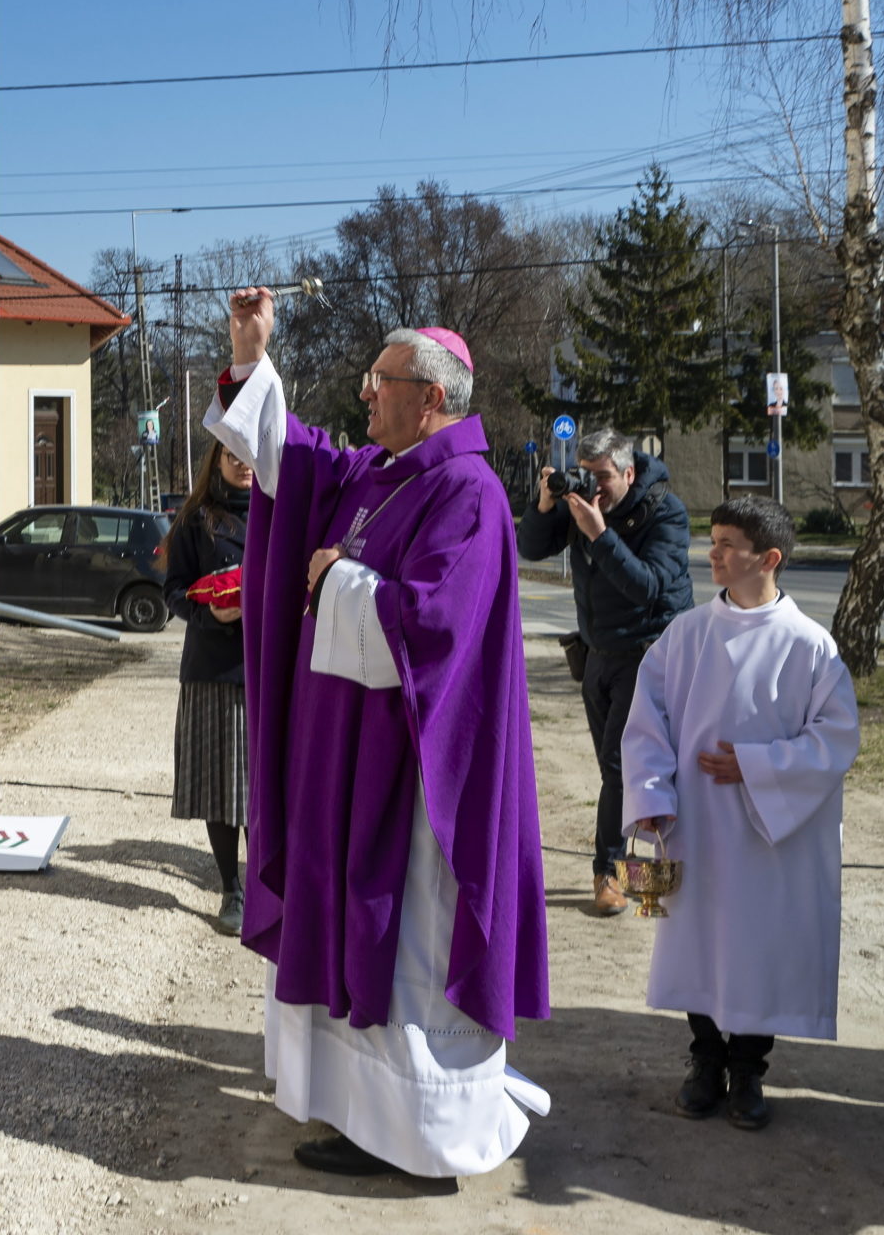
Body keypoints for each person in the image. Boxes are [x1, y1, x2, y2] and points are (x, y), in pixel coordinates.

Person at [204, 291, 549, 1180]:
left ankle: (418, 1136)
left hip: (413, 778)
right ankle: (361, 1114)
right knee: (349, 930)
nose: (365, 394)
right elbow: (290, 459)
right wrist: (251, 358)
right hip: (345, 760)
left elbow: (436, 626)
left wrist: (340, 581)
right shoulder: (379, 474)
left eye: (379, 381)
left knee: (407, 948)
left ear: (430, 398)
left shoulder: (467, 492)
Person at [622, 496, 859, 1134]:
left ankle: (749, 1068)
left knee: (760, 943)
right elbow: (646, 722)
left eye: (729, 544)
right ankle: (705, 1059)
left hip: (770, 832)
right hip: (693, 821)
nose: (714, 554)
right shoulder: (686, 634)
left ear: (769, 558)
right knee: (694, 938)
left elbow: (836, 739)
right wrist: (651, 797)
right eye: (714, 540)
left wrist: (756, 766)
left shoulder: (810, 645)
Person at [521, 428, 695, 914]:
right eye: (584, 474)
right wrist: (544, 505)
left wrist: (599, 534)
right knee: (613, 768)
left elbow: (647, 587)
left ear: (629, 473)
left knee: (621, 766)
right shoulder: (582, 503)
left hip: (648, 656)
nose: (592, 486)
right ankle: (646, 861)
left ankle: (609, 874)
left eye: (602, 477)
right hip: (597, 654)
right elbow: (530, 548)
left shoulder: (665, 512)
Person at [164, 444, 253, 935]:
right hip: (212, 669)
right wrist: (208, 614)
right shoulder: (195, 519)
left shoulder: (283, 511)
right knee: (221, 786)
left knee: (263, 787)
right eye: (232, 454)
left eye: (250, 452)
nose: (243, 463)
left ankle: (265, 885)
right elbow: (174, 591)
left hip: (266, 670)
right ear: (216, 459)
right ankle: (231, 888)